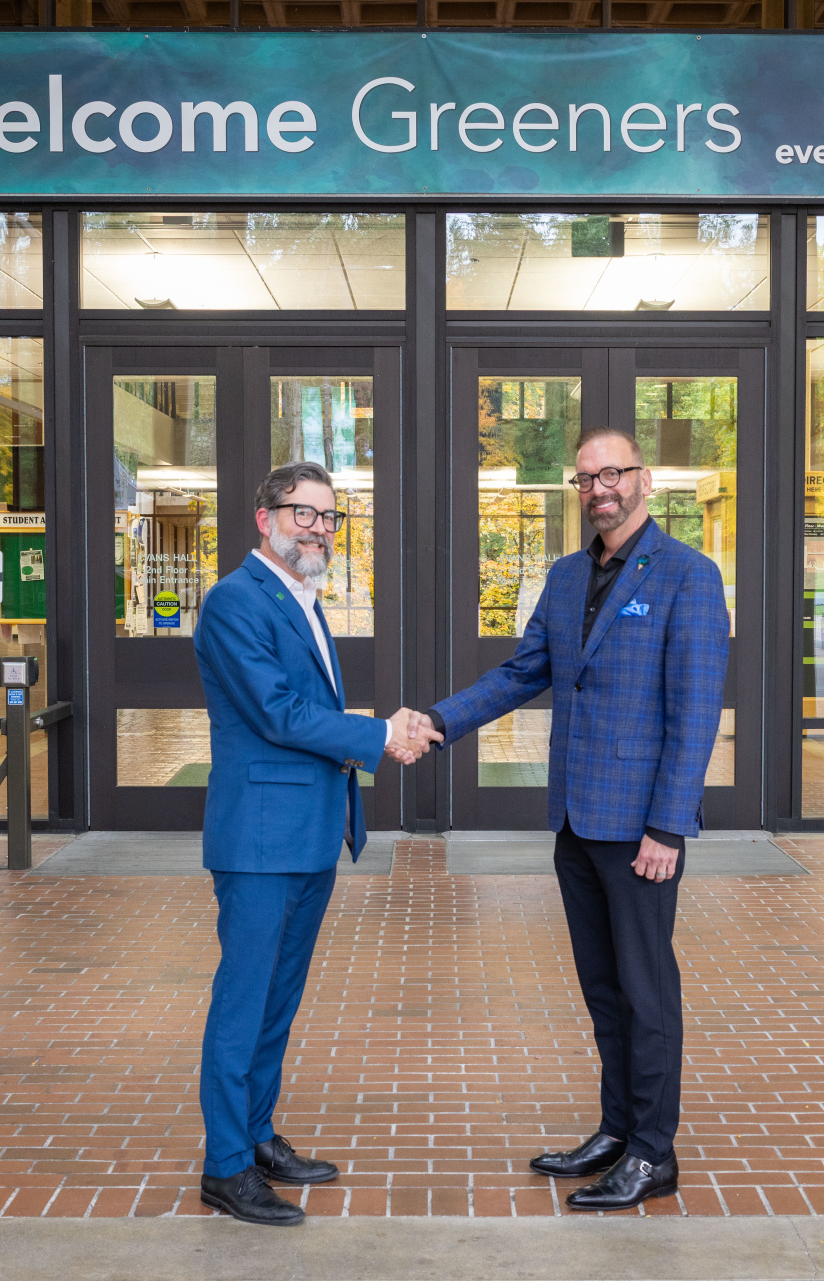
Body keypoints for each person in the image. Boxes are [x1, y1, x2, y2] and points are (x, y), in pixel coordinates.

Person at [409, 426, 728, 1211]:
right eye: (585, 478)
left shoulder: (689, 574)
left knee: (648, 993)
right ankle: (618, 1129)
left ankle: (654, 1154)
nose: (599, 488)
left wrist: (668, 826)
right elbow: (524, 673)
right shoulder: (562, 577)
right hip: (578, 824)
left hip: (640, 832)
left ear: (643, 480)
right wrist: (440, 722)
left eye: (612, 473)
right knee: (603, 989)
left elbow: (693, 712)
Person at [193, 460, 441, 1227]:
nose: (321, 529)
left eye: (331, 517)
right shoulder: (235, 600)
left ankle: (258, 1134)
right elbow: (277, 712)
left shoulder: (302, 599)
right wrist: (379, 733)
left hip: (305, 838)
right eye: (306, 513)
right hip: (260, 841)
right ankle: (225, 1166)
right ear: (263, 517)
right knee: (242, 1003)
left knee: (276, 1001)